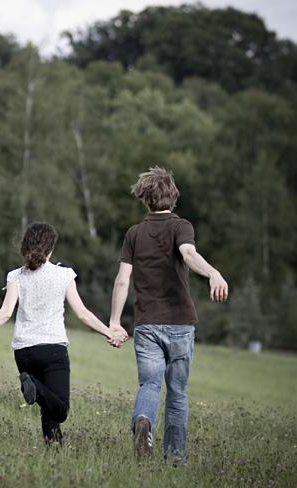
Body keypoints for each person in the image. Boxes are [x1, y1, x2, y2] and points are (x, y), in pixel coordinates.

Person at [0, 222, 128, 444]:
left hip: (23, 353)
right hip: (52, 351)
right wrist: (109, 333)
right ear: (50, 249)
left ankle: (54, 455)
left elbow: (5, 313)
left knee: (48, 408)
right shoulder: (64, 275)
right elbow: (83, 314)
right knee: (60, 410)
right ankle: (36, 389)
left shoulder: (15, 276)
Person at [109, 167, 228, 463]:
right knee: (177, 392)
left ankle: (143, 421)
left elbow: (122, 280)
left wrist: (114, 322)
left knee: (149, 385)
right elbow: (188, 254)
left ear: (144, 200)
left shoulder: (134, 233)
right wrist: (213, 273)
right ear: (172, 197)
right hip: (179, 324)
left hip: (147, 323)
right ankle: (175, 456)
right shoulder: (181, 226)